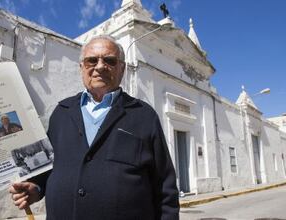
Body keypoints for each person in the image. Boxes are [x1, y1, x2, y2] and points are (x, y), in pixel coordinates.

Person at [9, 35, 179, 220]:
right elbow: (49, 166)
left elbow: (165, 186)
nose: (100, 66)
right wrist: (37, 188)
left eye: (109, 60)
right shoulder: (61, 112)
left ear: (122, 69)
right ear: (81, 67)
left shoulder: (144, 115)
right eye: (92, 60)